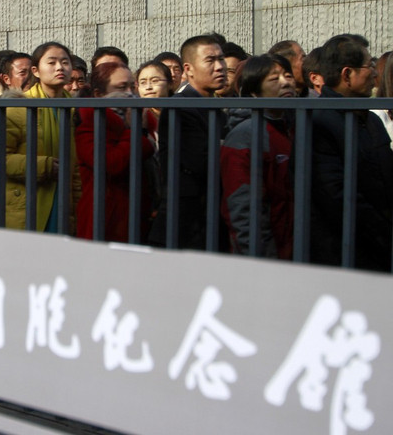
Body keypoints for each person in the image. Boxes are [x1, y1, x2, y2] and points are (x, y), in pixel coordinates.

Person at [309, 34, 393, 272]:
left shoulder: (371, 119)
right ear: (347, 74)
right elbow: (336, 195)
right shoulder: (319, 122)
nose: (376, 74)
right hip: (343, 253)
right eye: (370, 66)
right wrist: (383, 230)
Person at [0, 41, 81, 232]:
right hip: (28, 203)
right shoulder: (20, 107)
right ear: (36, 71)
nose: (60, 67)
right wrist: (43, 166)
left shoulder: (77, 109)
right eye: (51, 62)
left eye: (65, 62)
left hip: (66, 197)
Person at [148, 34, 228, 249]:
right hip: (186, 225)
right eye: (210, 60)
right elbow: (203, 161)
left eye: (221, 59)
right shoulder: (180, 108)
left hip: (210, 220)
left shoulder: (217, 106)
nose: (220, 67)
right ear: (189, 69)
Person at [220, 54, 295, 259]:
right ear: (254, 92)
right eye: (274, 79)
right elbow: (243, 208)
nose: (285, 83)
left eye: (288, 76)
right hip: (267, 254)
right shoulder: (245, 136)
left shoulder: (294, 126)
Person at [75, 63, 154, 242]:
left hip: (136, 215)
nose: (129, 93)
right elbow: (112, 164)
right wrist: (134, 131)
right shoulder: (89, 124)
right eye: (121, 87)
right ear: (99, 95)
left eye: (131, 86)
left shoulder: (143, 117)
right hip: (105, 219)